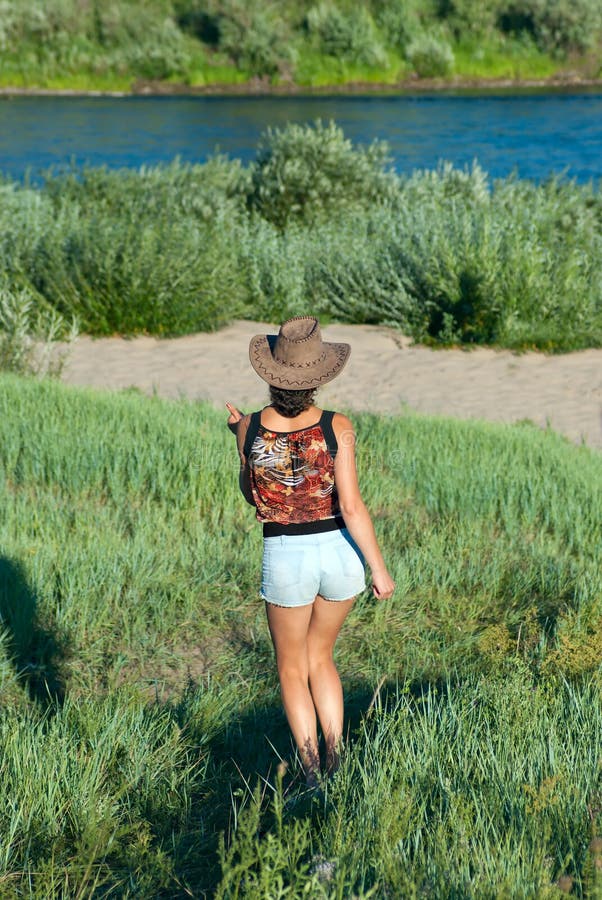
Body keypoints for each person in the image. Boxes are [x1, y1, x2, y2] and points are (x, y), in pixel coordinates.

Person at [226, 315, 395, 788]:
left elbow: (253, 495)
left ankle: (310, 770)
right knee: (322, 658)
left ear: (270, 374)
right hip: (340, 553)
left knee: (291, 666)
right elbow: (352, 505)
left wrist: (240, 438)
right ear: (319, 375)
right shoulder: (337, 426)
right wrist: (378, 571)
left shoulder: (251, 427)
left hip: (286, 554)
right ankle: (337, 759)